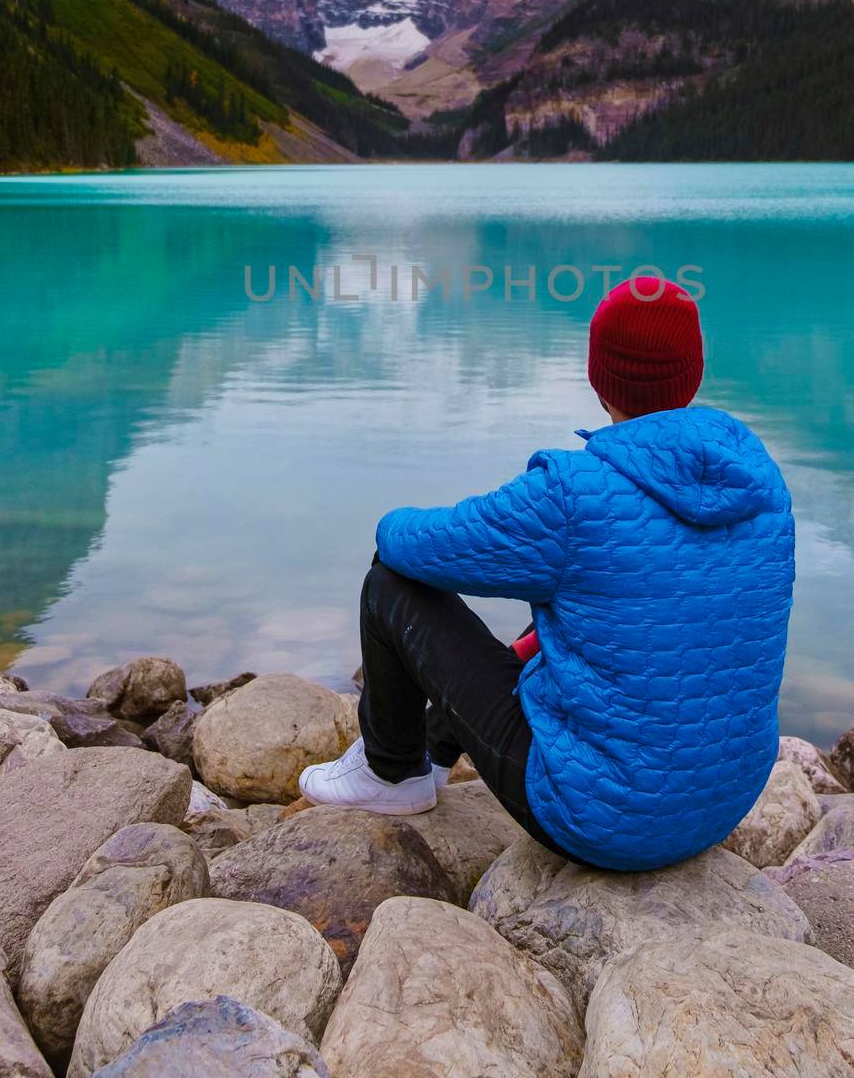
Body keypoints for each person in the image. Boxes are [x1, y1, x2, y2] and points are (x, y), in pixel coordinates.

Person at [299, 276, 795, 871]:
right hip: (723, 802)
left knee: (391, 582)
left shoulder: (573, 495)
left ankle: (390, 772)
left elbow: (410, 545)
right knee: (550, 640)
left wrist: (390, 517)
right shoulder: (759, 480)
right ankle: (430, 753)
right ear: (693, 371)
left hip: (606, 820)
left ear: (597, 375)